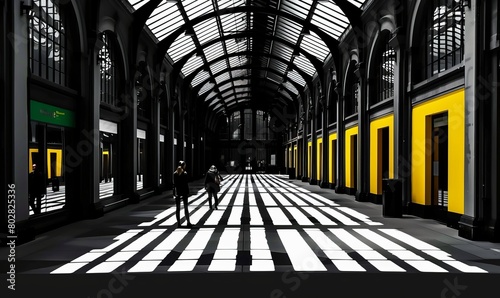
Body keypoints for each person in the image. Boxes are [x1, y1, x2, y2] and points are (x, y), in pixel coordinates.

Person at [173, 160, 193, 228]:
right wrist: (188, 192)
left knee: (177, 208)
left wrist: (174, 193)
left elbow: (174, 184)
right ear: (184, 165)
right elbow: (186, 184)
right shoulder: (185, 173)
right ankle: (188, 222)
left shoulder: (175, 173)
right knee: (186, 208)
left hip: (178, 192)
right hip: (184, 192)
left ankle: (178, 223)